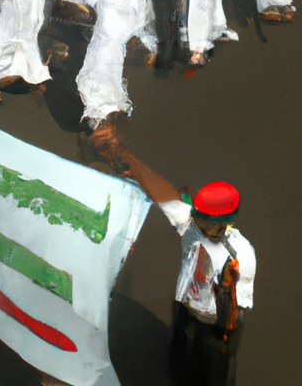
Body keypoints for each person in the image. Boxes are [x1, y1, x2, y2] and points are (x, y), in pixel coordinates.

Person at [93, 126, 255, 386]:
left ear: (222, 223)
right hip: (185, 312)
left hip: (214, 328)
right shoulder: (193, 228)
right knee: (178, 364)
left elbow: (235, 313)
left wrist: (223, 337)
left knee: (213, 376)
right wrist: (121, 153)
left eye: (203, 219)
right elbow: (165, 195)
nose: (195, 222)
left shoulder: (241, 255)